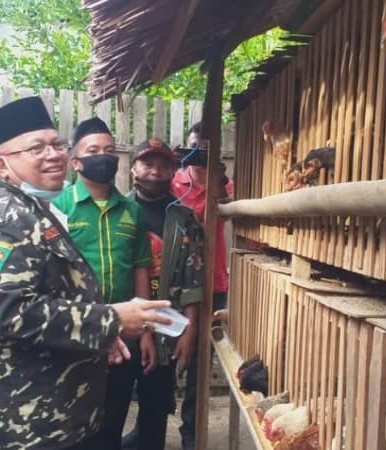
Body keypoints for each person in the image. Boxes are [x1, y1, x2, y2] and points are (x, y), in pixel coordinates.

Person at [0, 97, 172, 450]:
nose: (53, 155)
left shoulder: (36, 212)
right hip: (25, 421)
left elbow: (56, 293)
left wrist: (98, 336)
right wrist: (110, 319)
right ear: (2, 165)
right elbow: (9, 312)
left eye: (56, 144)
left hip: (58, 412)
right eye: (36, 148)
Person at [51, 118, 159, 448]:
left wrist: (146, 331)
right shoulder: (58, 208)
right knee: (72, 425)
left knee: (112, 419)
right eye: (93, 150)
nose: (104, 156)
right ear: (75, 161)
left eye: (109, 150)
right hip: (76, 334)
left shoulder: (131, 210)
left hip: (124, 333)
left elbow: (141, 267)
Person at [117, 138, 204, 450]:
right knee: (112, 405)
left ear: (173, 171)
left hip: (168, 327)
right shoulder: (118, 212)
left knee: (155, 407)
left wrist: (189, 332)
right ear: (133, 169)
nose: (155, 171)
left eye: (164, 165)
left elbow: (195, 278)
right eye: (148, 164)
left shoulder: (184, 219)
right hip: (122, 326)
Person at [170, 122, 233, 448]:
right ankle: (150, 422)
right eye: (196, 146)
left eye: (208, 149)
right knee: (163, 356)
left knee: (200, 364)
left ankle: (191, 435)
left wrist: (217, 180)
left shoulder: (224, 185)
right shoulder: (173, 182)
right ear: (186, 147)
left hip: (213, 283)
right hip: (175, 284)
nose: (201, 153)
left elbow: (226, 214)